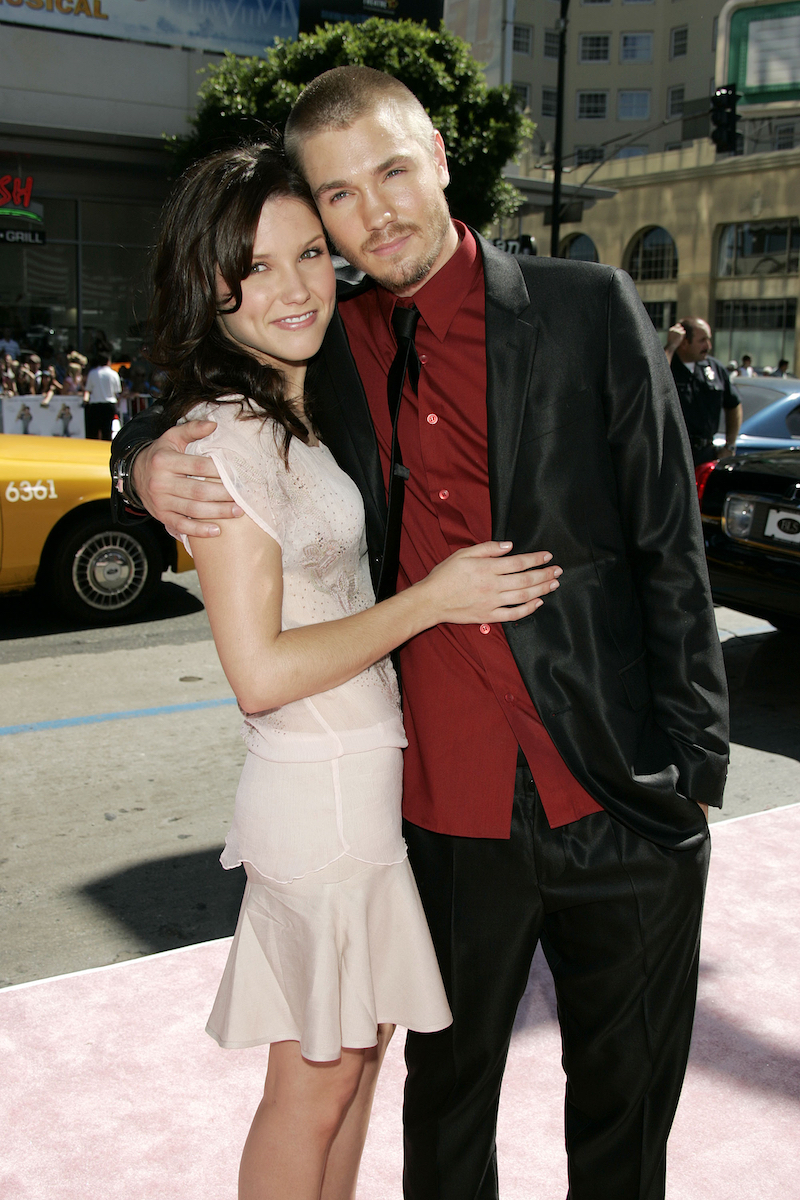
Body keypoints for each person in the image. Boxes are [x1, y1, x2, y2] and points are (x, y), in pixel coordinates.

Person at [112, 68, 729, 1200]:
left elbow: (665, 545)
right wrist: (140, 461)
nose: (374, 211)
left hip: (614, 792)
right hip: (438, 815)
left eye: (391, 171)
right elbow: (218, 385)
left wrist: (691, 771)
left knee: (623, 1119)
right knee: (442, 1118)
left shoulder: (585, 307)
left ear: (439, 155)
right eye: (339, 195)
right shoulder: (330, 341)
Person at [141, 141, 559, 1200]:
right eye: (259, 266)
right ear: (213, 287)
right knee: (313, 1089)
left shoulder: (297, 410)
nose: (294, 288)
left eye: (308, 256)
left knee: (353, 1072)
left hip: (357, 792)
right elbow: (259, 672)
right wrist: (432, 600)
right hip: (315, 797)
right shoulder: (224, 441)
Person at [665, 317, 743, 464]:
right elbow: (654, 379)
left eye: (708, 339)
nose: (708, 346)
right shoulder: (668, 364)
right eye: (702, 340)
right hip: (673, 455)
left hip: (706, 455)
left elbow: (733, 404)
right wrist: (670, 346)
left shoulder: (714, 368)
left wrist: (730, 445)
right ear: (684, 342)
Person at [82, 353, 121, 440]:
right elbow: (117, 391)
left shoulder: (93, 373)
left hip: (95, 405)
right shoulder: (114, 374)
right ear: (108, 361)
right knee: (106, 431)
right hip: (109, 405)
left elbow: (88, 389)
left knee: (93, 432)